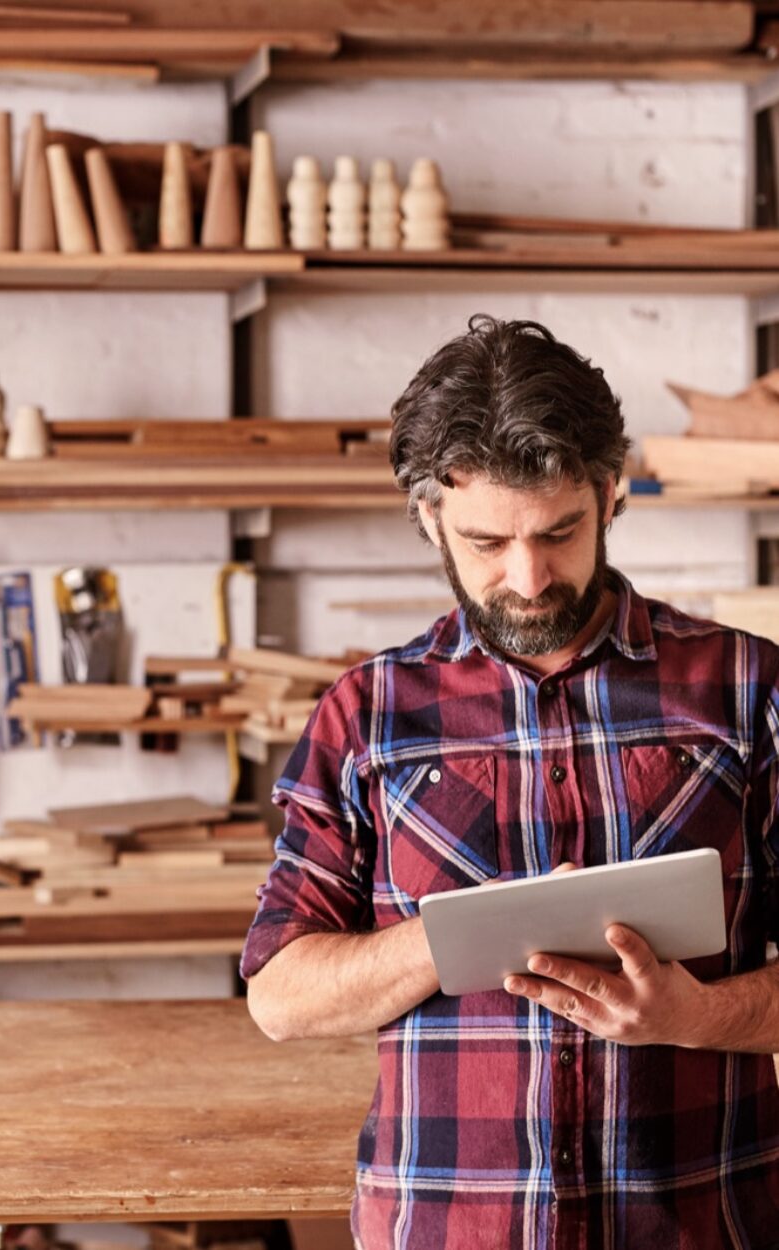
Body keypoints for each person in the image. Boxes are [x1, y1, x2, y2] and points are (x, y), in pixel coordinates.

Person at [243, 315, 779, 1248]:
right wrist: (460, 935)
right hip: (451, 1230)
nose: (529, 578)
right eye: (488, 542)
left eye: (560, 532)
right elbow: (279, 996)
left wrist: (697, 1015)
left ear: (611, 495)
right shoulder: (367, 714)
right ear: (428, 518)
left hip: (703, 1219)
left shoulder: (744, 689)